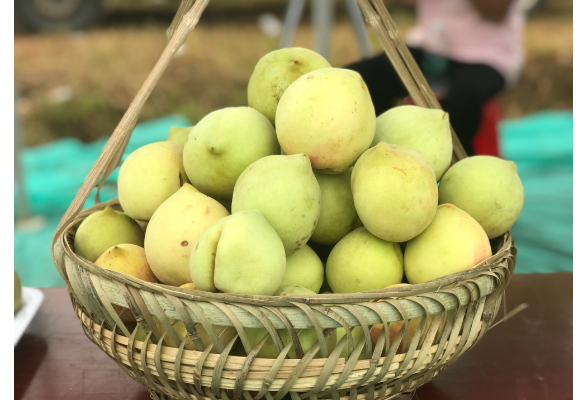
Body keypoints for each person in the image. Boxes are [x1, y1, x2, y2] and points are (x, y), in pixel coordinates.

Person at [346, 0, 525, 156]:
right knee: (355, 82)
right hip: (432, 46)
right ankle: (371, 155)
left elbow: (497, 10)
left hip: (487, 55)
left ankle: (463, 175)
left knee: (457, 108)